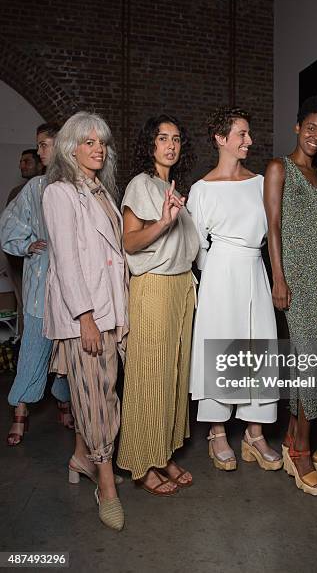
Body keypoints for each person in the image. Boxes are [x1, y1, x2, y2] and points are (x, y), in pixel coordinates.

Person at [43, 112, 127, 530]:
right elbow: (66, 259)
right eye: (88, 141)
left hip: (109, 308)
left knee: (99, 389)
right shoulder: (59, 192)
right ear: (70, 147)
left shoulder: (101, 192)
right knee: (98, 399)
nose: (98, 149)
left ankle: (81, 456)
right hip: (87, 314)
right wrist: (86, 317)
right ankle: (106, 485)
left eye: (102, 143)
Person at [187, 107, 282, 472]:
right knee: (222, 346)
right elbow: (196, 245)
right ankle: (217, 432)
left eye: (248, 133)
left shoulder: (261, 182)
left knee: (258, 345)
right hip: (220, 274)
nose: (249, 141)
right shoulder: (202, 190)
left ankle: (255, 433)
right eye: (241, 134)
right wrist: (215, 280)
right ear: (221, 139)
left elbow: (273, 230)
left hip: (254, 269)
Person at [117, 114, 199, 495]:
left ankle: (162, 452)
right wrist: (164, 223)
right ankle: (140, 463)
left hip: (181, 286)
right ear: (149, 145)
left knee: (173, 376)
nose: (170, 145)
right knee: (148, 375)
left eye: (177, 139)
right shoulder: (140, 185)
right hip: (154, 288)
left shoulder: (174, 188)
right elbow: (130, 242)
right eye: (162, 138)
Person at [264, 95, 317, 495]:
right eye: (311, 128)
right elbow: (273, 225)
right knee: (314, 361)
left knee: (307, 359)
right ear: (297, 127)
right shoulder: (280, 167)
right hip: (294, 277)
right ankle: (301, 452)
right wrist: (278, 276)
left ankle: (294, 435)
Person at [1, 126, 73, 447]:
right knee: (33, 344)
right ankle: (20, 412)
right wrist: (27, 244)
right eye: (38, 146)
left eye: (45, 145)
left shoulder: (76, 185)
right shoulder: (35, 187)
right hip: (40, 281)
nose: (41, 152)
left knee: (68, 349)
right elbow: (10, 223)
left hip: (71, 286)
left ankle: (65, 401)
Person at [4, 148, 44, 335]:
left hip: (41, 264)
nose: (21, 165)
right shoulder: (17, 192)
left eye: (27, 161)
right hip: (22, 262)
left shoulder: (46, 187)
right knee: (27, 309)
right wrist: (24, 249)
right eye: (21, 161)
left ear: (39, 163)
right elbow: (11, 230)